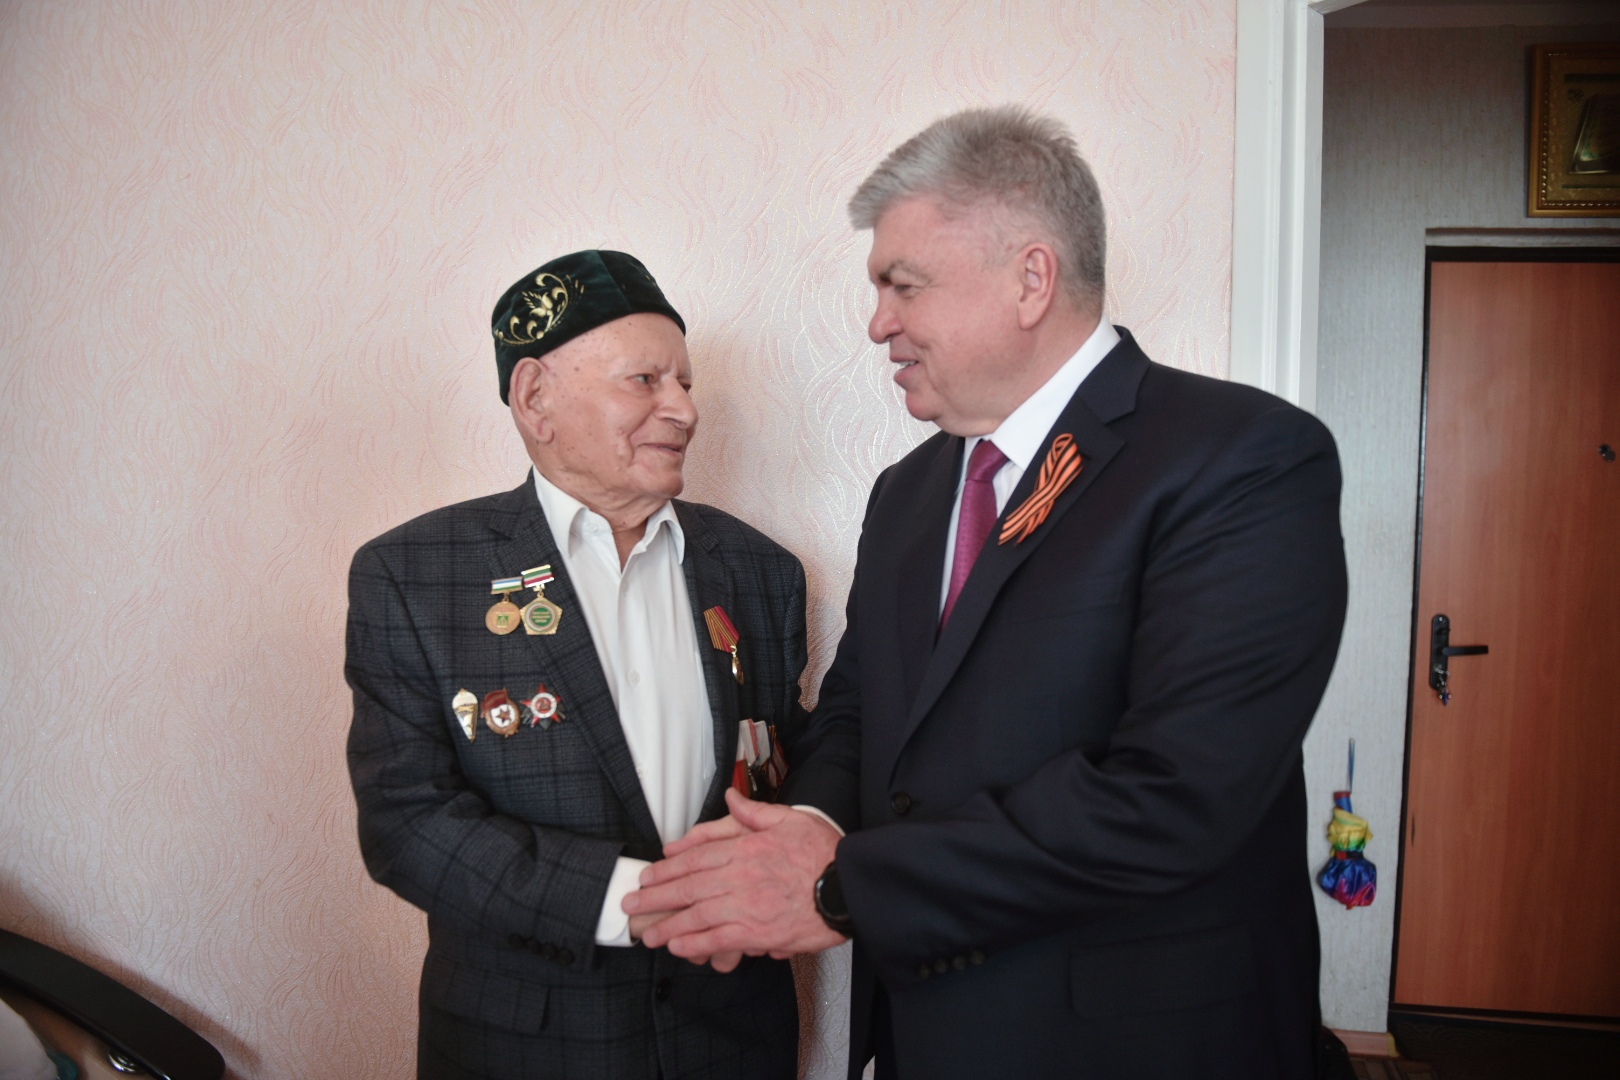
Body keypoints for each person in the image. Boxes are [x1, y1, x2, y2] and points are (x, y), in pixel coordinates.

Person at [628, 107, 1349, 1080]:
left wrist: (841, 888)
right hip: (926, 1034)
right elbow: (859, 711)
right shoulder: (910, 492)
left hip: (1134, 1045)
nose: (877, 322)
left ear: (1030, 279)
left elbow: (1176, 795)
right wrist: (805, 829)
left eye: (903, 285)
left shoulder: (1239, 457)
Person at [345, 250, 804, 1079]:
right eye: (646, 380)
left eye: (686, 382)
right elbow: (406, 825)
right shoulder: (415, 574)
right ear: (535, 398)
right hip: (523, 1044)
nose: (685, 409)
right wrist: (641, 904)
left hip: (732, 1036)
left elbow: (783, 764)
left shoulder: (761, 570)